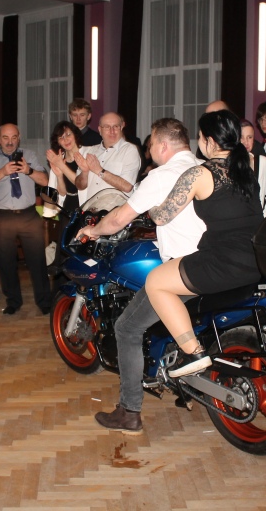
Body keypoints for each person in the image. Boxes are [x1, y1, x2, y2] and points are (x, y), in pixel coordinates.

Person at [78, 117, 206, 434]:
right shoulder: (204, 168)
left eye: (150, 144)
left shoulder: (162, 175)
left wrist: (93, 231)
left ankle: (129, 411)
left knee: (127, 327)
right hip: (215, 261)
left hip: (184, 270)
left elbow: (118, 219)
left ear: (162, 145)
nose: (149, 151)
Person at [144, 109, 262, 378]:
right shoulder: (247, 167)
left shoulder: (199, 173)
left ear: (210, 141)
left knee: (155, 282)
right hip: (257, 257)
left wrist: (150, 207)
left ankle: (193, 352)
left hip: (225, 261)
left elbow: (162, 216)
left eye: (199, 137)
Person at [0, 123, 50, 316]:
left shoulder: (30, 155)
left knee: (37, 260)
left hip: (28, 215)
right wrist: (3, 172)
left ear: (19, 137)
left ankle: (44, 301)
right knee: (6, 261)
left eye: (13, 137)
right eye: (5, 138)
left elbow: (45, 181)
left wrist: (28, 171)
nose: (10, 142)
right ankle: (13, 301)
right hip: (2, 216)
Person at [74, 112, 141, 203]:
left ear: (121, 127)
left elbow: (127, 186)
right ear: (99, 130)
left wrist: (100, 171)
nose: (112, 131)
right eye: (107, 127)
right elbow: (80, 186)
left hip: (117, 210)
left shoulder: (130, 150)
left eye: (115, 126)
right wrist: (85, 172)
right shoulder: (91, 151)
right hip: (91, 209)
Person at [45, 121, 85, 239]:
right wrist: (59, 175)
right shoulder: (59, 159)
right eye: (61, 137)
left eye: (68, 134)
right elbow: (62, 193)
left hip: (85, 207)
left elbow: (80, 183)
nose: (65, 140)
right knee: (65, 244)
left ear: (75, 135)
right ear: (57, 141)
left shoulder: (87, 154)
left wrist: (61, 166)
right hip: (68, 207)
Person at [240, 119, 266, 216]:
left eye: (249, 137)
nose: (245, 142)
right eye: (241, 137)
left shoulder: (263, 162)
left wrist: (263, 218)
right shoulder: (226, 163)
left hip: (257, 219)